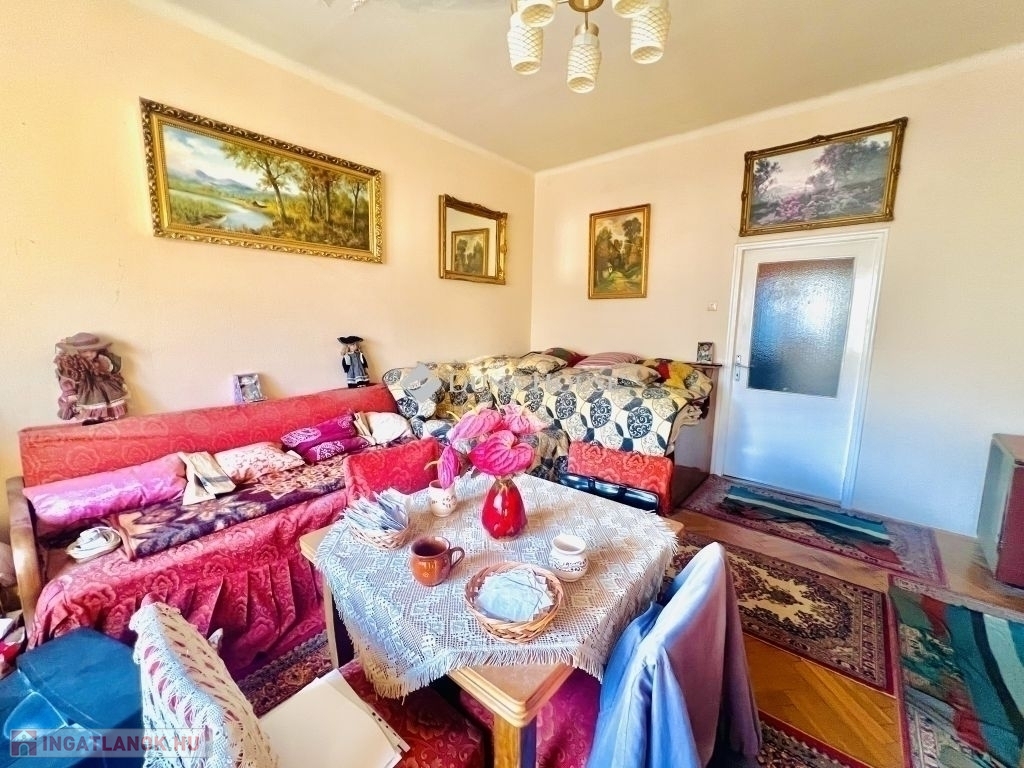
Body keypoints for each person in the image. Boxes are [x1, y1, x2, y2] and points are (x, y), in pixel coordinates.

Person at [54, 332, 129, 421]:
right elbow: (67, 379)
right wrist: (70, 392)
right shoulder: (73, 364)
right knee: (89, 403)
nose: (90, 354)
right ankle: (92, 419)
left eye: (93, 350)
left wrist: (101, 367)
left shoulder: (102, 359)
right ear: (77, 351)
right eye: (84, 351)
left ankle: (107, 416)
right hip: (86, 389)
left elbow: (112, 371)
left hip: (104, 387)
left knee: (107, 399)